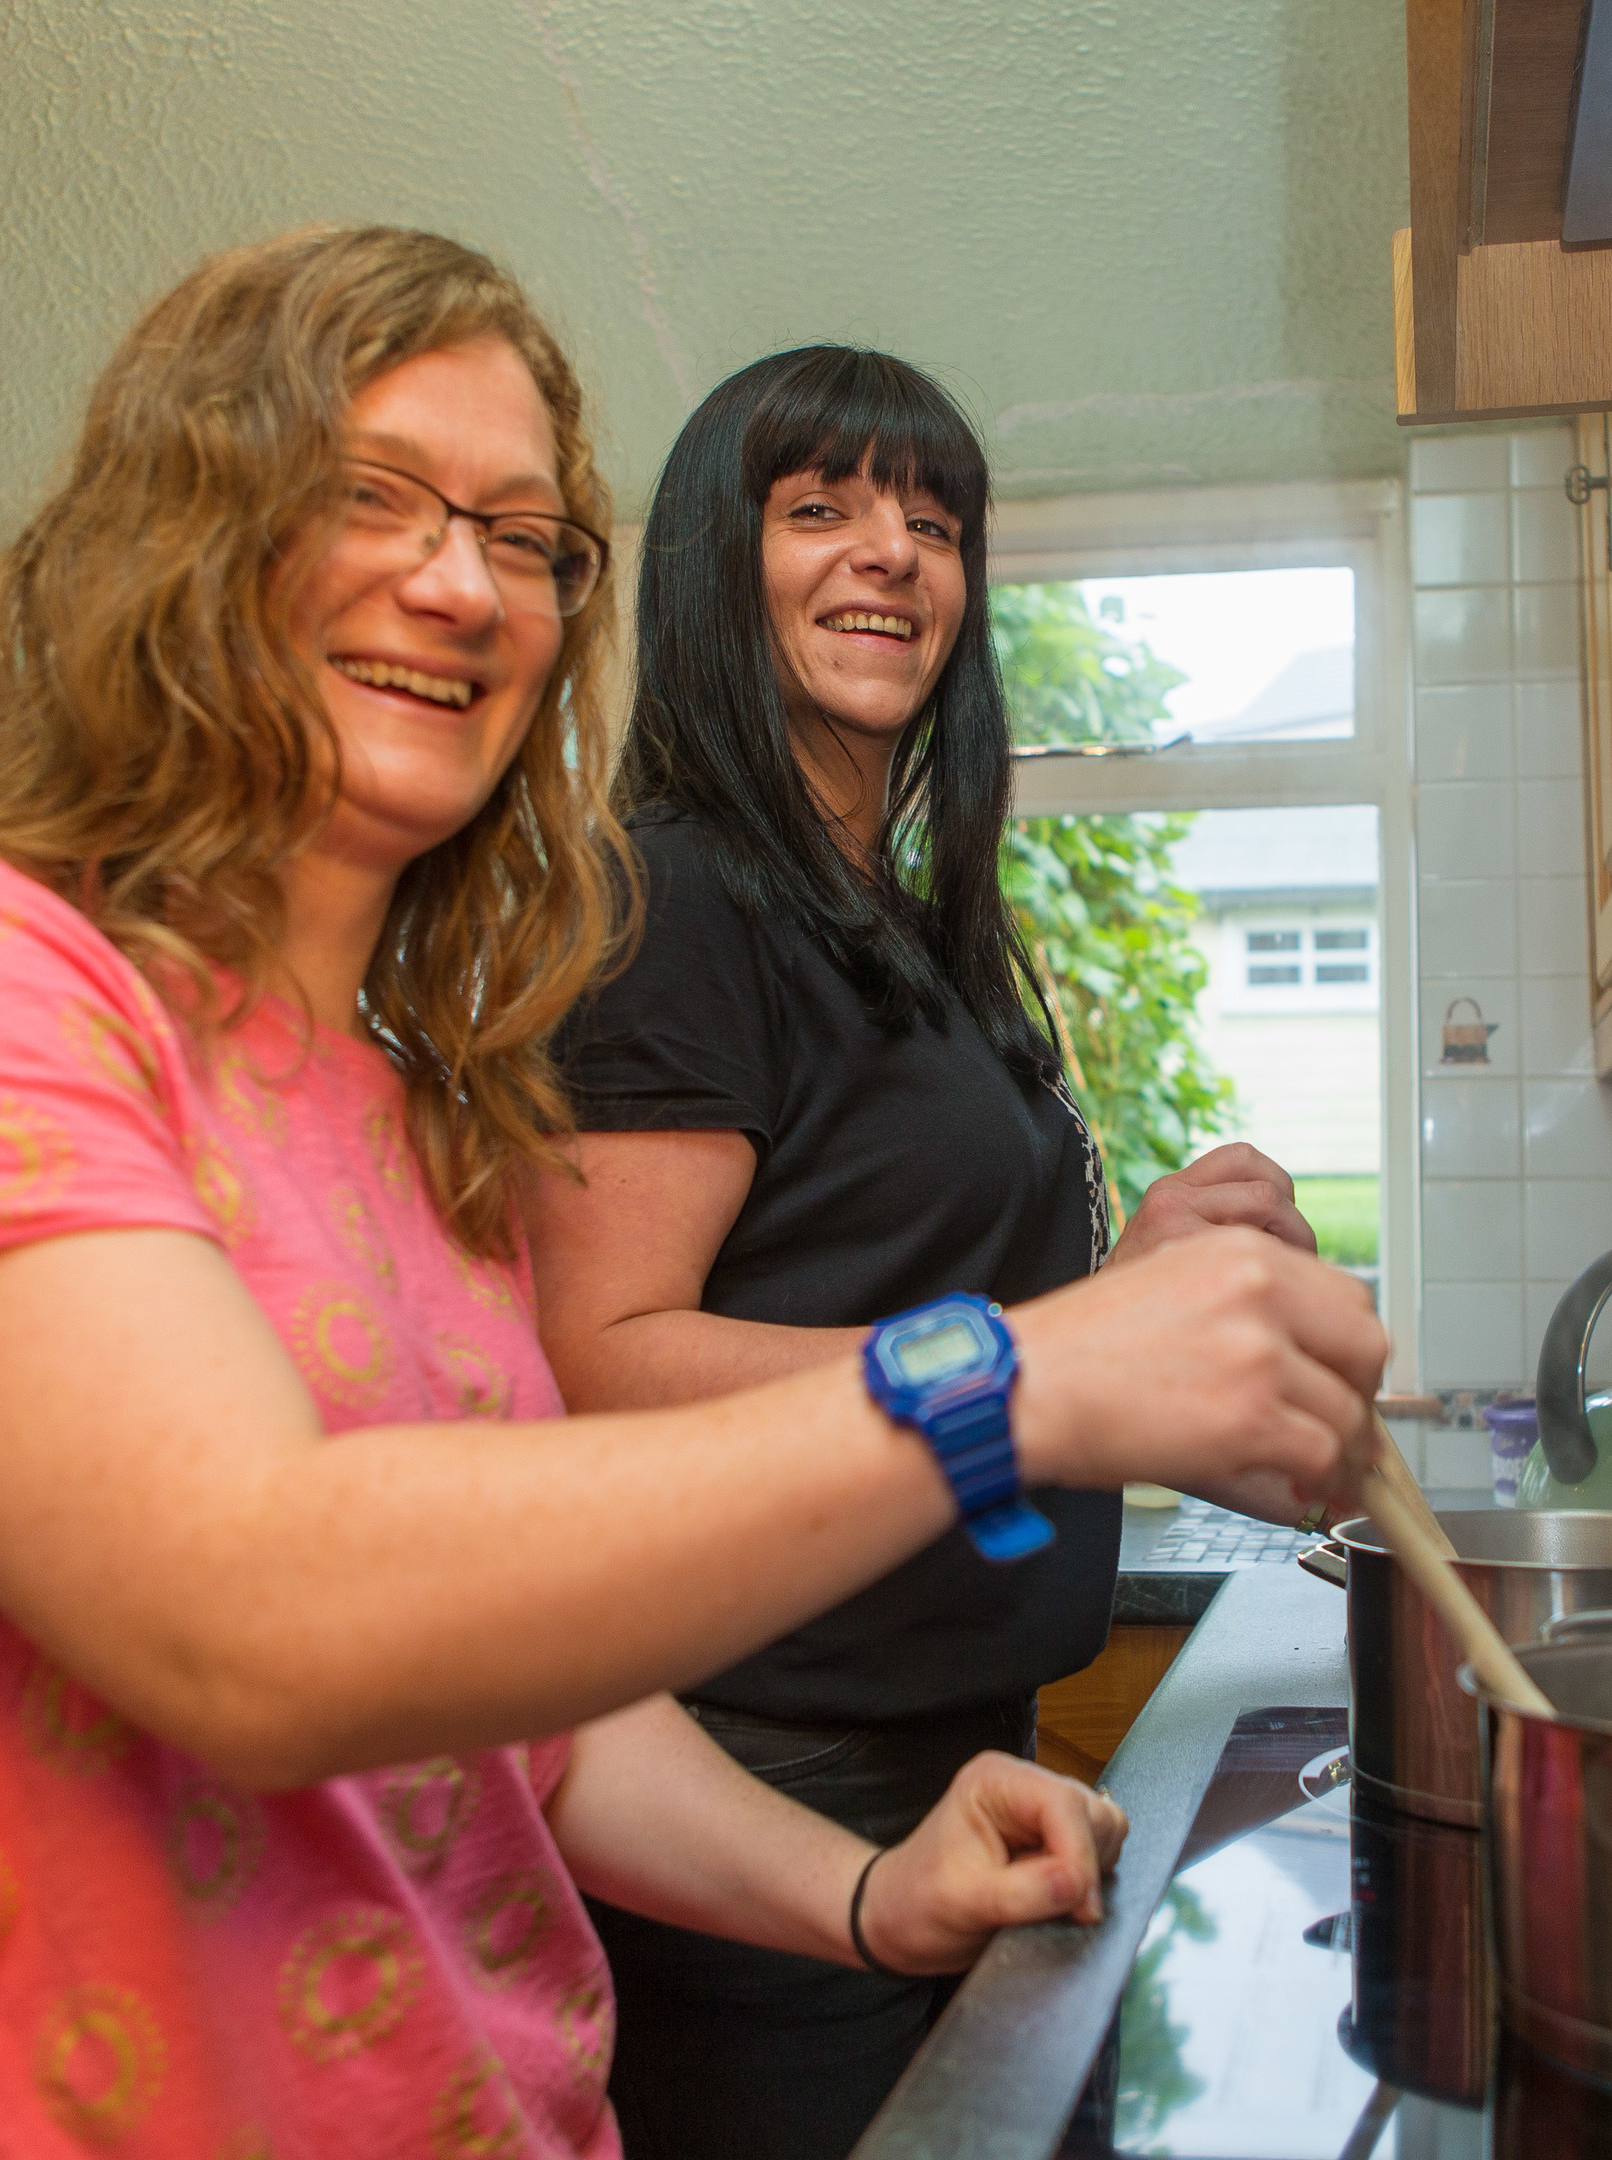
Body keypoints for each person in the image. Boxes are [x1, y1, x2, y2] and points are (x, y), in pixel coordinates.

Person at [0, 230, 1386, 2159]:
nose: (458, 578)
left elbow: (528, 1724)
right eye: (372, 499)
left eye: (520, 532)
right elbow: (245, 1613)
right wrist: (1020, 1377)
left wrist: (854, 1892)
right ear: (182, 530)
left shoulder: (414, 1122)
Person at [529, 346, 1326, 2158]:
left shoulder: (892, 917)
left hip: (943, 1758)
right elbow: (606, 1361)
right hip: (761, 1800)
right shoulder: (675, 899)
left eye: (932, 519)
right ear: (716, 581)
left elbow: (909, 1310)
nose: (892, 552)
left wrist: (1117, 1304)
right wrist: (1057, 1357)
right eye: (820, 510)